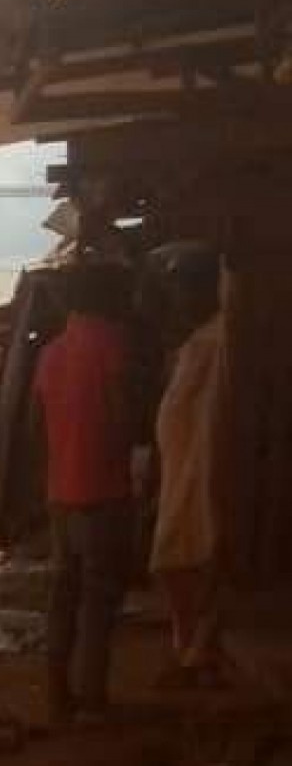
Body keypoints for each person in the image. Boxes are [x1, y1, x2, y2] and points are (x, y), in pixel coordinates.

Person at [32, 261, 137, 725]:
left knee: (64, 594)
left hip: (61, 493)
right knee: (98, 598)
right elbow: (121, 415)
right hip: (104, 490)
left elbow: (38, 427)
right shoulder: (112, 344)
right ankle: (92, 698)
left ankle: (57, 694)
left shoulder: (50, 354)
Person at [148, 244, 228, 689]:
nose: (178, 300)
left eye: (185, 289)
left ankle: (197, 655)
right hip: (182, 473)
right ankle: (192, 652)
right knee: (177, 563)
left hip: (205, 472)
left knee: (192, 562)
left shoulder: (219, 343)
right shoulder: (197, 344)